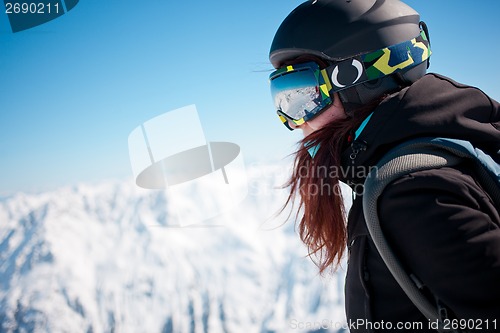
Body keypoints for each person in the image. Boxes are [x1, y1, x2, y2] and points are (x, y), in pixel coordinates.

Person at [268, 0, 500, 332]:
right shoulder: (457, 145)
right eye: (283, 101)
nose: (295, 122)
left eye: (303, 96)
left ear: (358, 79)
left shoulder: (413, 194)